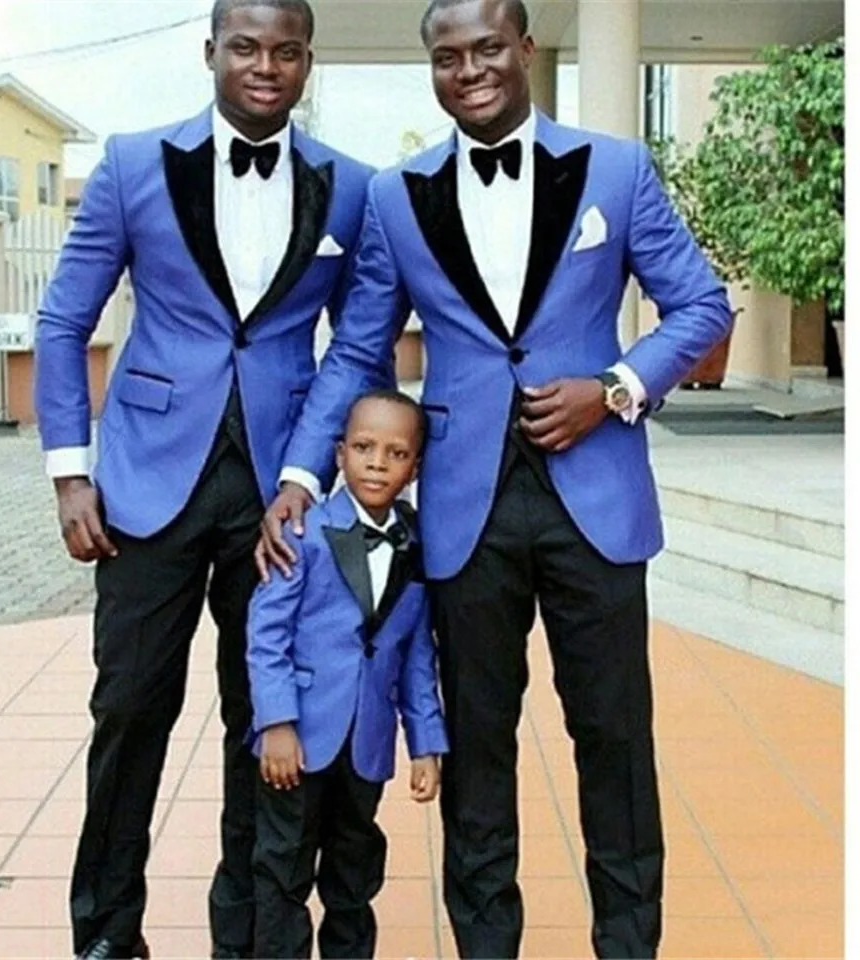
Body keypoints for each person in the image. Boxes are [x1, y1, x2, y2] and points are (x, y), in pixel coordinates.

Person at [256, 1, 735, 957]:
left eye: (487, 49)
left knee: (615, 743)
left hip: (596, 499)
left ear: (523, 49)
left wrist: (615, 387)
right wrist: (303, 472)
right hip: (463, 507)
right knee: (477, 747)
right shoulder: (397, 196)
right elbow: (358, 349)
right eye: (448, 57)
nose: (469, 69)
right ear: (431, 68)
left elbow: (701, 305)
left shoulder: (616, 170)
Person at [33, 0, 377, 955]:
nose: (266, 66)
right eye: (246, 47)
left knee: (264, 717)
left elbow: (356, 344)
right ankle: (108, 931)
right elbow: (63, 320)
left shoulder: (350, 187)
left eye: (286, 51)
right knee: (129, 708)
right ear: (210, 52)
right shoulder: (132, 165)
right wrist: (69, 474)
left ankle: (252, 934)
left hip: (278, 491)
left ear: (307, 61)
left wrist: (306, 471)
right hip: (146, 484)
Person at [246, 388, 448, 959]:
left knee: (355, 874)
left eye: (396, 453)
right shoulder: (301, 532)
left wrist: (425, 743)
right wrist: (276, 723)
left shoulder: (415, 545)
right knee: (282, 869)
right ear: (339, 454)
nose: (377, 463)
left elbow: (416, 656)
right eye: (363, 447)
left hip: (367, 745)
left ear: (415, 466)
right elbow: (266, 635)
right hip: (299, 741)